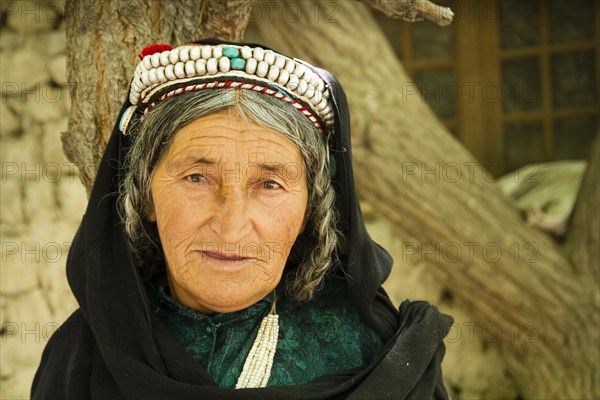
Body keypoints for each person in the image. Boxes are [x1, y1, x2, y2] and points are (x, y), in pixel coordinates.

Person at [31, 39, 453, 399]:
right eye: (197, 177)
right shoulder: (82, 357)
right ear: (145, 197)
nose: (231, 226)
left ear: (311, 210)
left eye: (269, 185)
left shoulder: (378, 357)